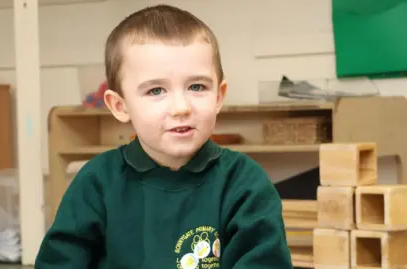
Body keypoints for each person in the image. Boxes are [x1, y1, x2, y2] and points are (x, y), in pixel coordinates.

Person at [35, 4, 293, 269]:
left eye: (196, 87)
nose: (181, 107)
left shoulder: (245, 184)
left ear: (218, 96)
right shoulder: (96, 183)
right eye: (156, 91)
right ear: (120, 106)